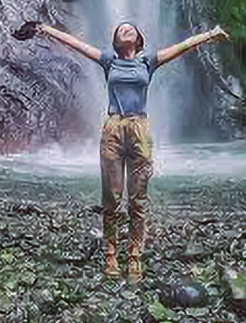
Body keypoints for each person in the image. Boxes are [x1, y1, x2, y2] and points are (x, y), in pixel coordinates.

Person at [18, 20, 230, 286]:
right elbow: (78, 45)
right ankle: (110, 255)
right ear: (116, 41)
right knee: (112, 197)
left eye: (130, 28)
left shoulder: (148, 62)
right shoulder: (109, 61)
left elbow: (181, 48)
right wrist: (45, 29)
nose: (125, 29)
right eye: (120, 29)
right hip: (113, 129)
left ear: (139, 38)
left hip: (140, 129)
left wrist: (210, 34)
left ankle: (135, 256)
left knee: (138, 201)